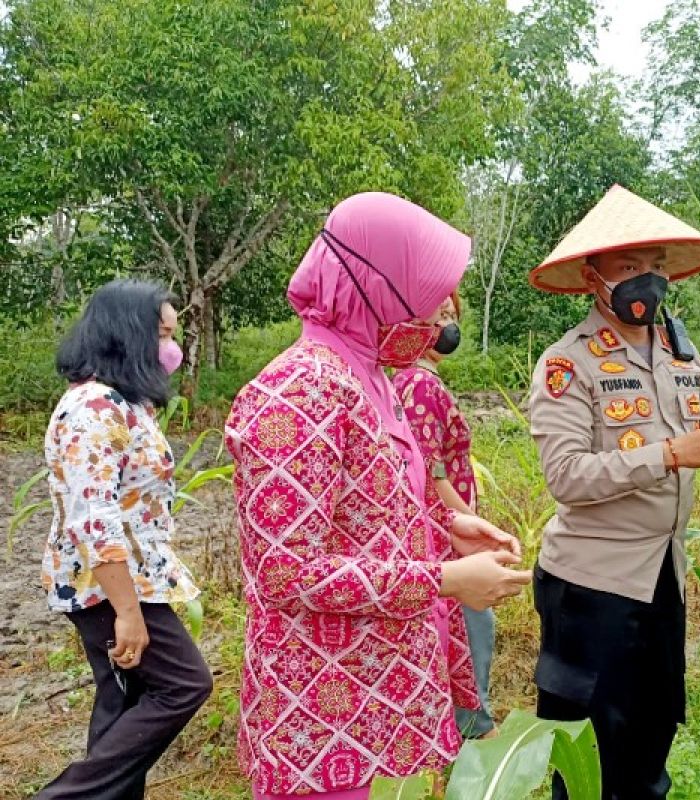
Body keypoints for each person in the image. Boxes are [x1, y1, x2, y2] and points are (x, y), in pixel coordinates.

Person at [224, 192, 531, 800]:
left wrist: (444, 529)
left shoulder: (365, 375)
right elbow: (287, 571)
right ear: (378, 283)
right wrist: (444, 579)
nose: (445, 311)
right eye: (435, 289)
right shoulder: (301, 389)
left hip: (359, 701)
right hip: (319, 714)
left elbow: (358, 507)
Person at [527, 184, 700, 799]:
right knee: (586, 758)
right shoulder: (569, 364)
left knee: (649, 744)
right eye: (630, 268)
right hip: (591, 590)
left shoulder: (681, 356)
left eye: (657, 269)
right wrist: (669, 455)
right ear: (594, 277)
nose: (649, 281)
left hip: (662, 578)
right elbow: (566, 476)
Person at [36, 280, 212, 800]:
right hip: (107, 584)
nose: (171, 349)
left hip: (127, 579)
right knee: (184, 684)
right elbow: (94, 516)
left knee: (125, 699)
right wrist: (128, 611)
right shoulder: (94, 407)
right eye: (161, 335)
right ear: (127, 334)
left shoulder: (128, 403)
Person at [392, 291, 498, 739]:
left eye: (454, 315)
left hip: (440, 531)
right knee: (471, 629)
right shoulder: (421, 385)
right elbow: (431, 475)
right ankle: (474, 729)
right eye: (439, 315)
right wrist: (466, 526)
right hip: (446, 536)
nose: (449, 325)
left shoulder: (407, 382)